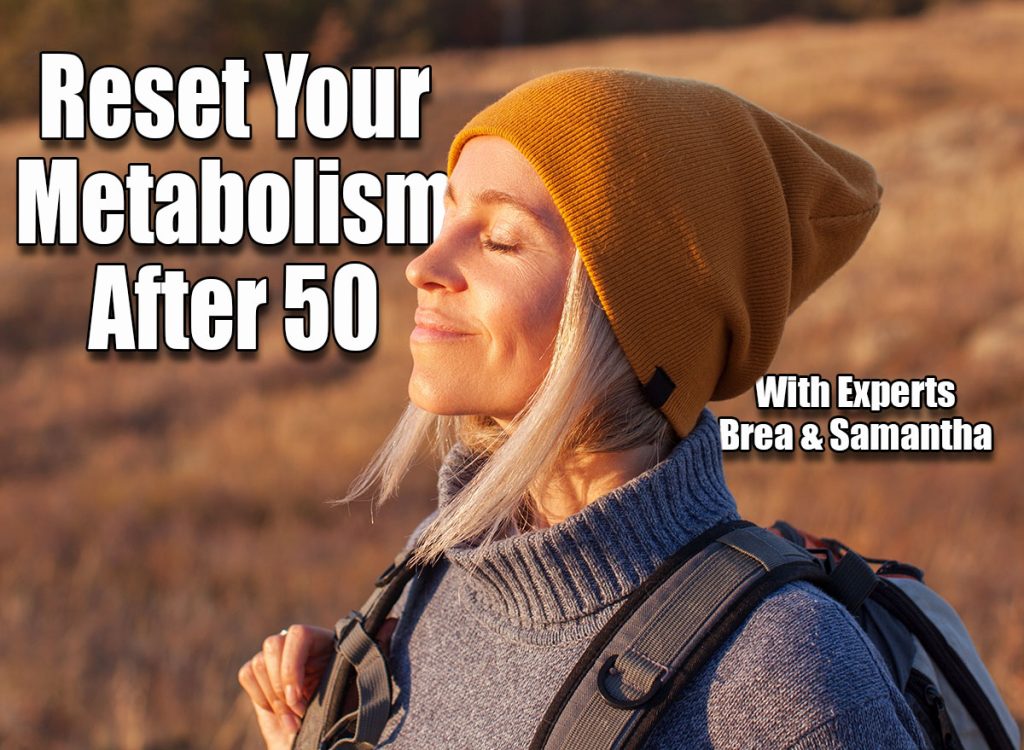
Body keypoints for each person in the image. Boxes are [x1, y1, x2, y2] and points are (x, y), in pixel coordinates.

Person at [238, 68, 928, 748]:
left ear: (633, 321)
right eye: (445, 216)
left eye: (501, 240)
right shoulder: (438, 574)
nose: (425, 264)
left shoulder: (784, 674)